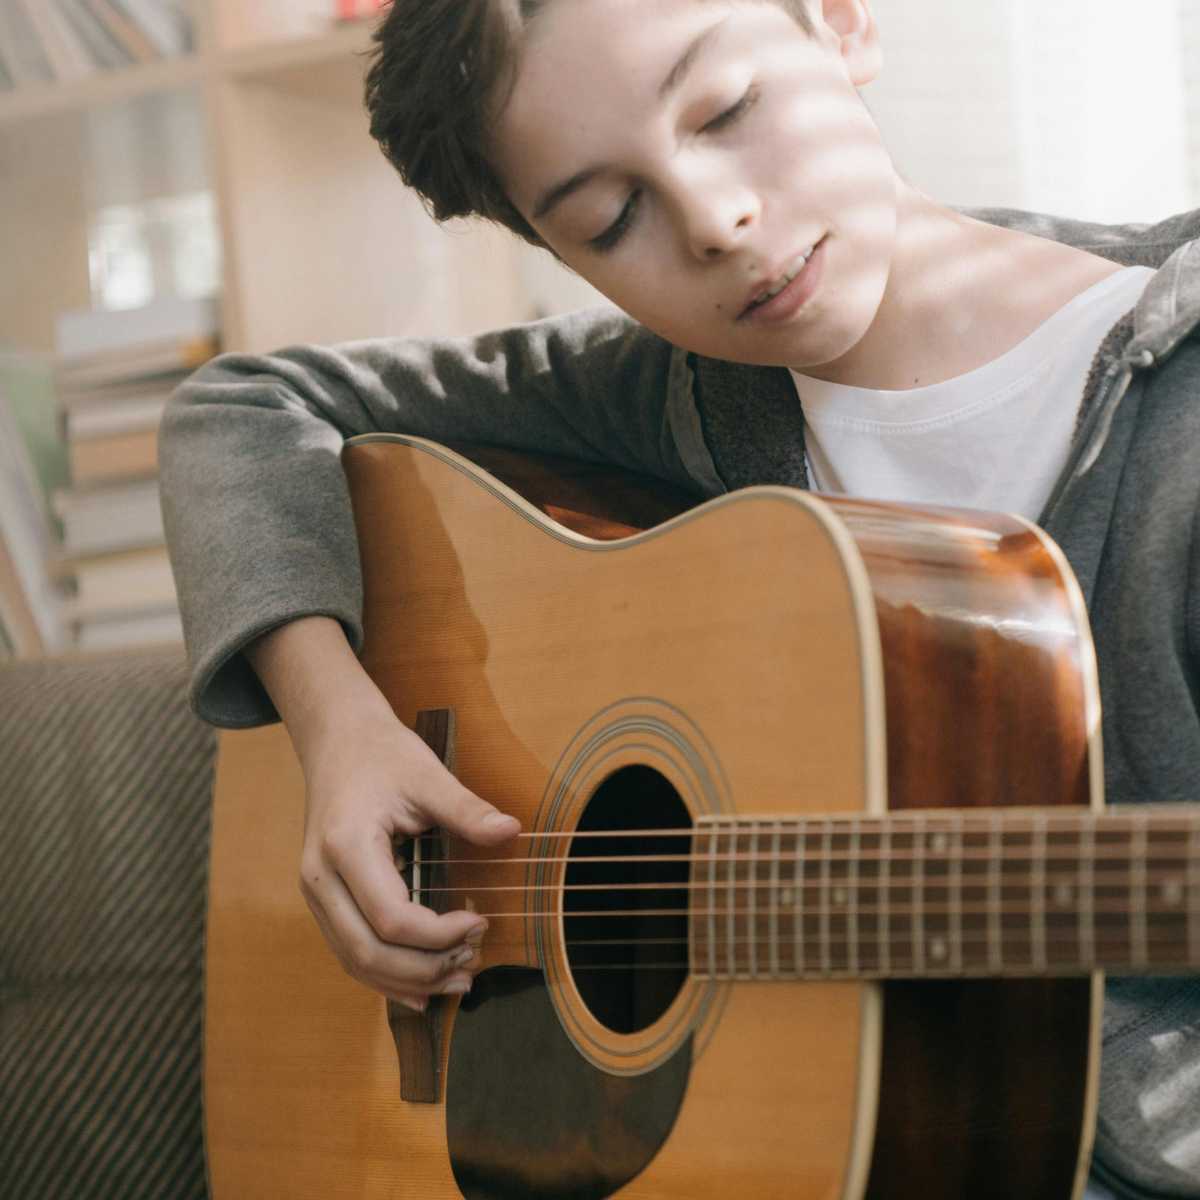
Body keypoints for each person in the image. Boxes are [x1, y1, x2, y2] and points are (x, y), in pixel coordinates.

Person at [159, 1, 1200, 1194]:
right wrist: (338, 723)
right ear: (561, 258)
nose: (716, 221)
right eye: (612, 219)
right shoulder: (688, 392)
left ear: (840, 24)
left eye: (728, 111)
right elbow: (242, 407)